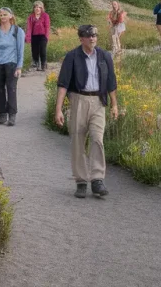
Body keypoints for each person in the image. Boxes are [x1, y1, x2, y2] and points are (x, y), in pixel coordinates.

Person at [53, 25, 119, 199]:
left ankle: (97, 179)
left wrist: (114, 105)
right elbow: (63, 84)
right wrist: (58, 109)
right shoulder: (72, 57)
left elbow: (111, 82)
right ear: (81, 38)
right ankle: (81, 181)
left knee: (97, 138)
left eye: (95, 36)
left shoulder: (105, 56)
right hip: (78, 100)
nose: (92, 39)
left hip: (99, 101)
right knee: (78, 139)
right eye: (88, 36)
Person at [0, 7, 25, 126]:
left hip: (11, 64)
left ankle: (12, 115)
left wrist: (19, 67)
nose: (2, 17)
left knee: (11, 89)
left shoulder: (18, 31)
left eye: (5, 14)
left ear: (11, 16)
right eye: (1, 15)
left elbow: (20, 50)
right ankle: (2, 115)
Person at [25, 0, 51, 72]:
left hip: (43, 36)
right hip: (34, 36)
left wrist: (46, 36)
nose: (37, 9)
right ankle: (36, 64)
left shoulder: (45, 15)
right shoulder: (31, 17)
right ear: (34, 8)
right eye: (36, 7)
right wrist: (28, 37)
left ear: (42, 8)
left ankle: (43, 64)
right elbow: (29, 28)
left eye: (39, 7)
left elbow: (47, 26)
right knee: (35, 51)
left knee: (42, 50)